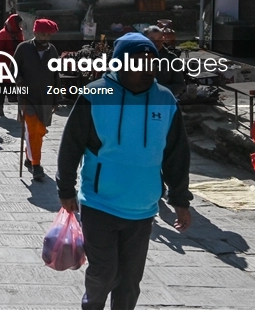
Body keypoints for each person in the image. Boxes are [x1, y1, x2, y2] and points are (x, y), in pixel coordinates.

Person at [56, 33, 192, 310]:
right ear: (119, 64)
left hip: (142, 208)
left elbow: (176, 153)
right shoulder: (96, 94)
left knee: (130, 282)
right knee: (104, 273)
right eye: (138, 63)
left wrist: (180, 200)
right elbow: (72, 144)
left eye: (151, 63)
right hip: (99, 202)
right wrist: (65, 189)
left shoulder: (165, 100)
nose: (146, 70)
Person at [14, 18, 60, 182]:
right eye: (41, 33)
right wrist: (19, 79)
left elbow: (56, 75)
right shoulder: (23, 48)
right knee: (33, 129)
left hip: (46, 98)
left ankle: (30, 154)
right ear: (34, 32)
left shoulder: (52, 50)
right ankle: (37, 166)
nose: (44, 36)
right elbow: (13, 68)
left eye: (47, 34)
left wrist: (57, 97)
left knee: (40, 131)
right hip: (27, 97)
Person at [0, 13, 25, 117]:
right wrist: (11, 54)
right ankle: (0, 107)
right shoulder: (3, 33)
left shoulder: (19, 33)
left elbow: (21, 46)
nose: (20, 26)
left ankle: (19, 111)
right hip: (4, 64)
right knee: (2, 88)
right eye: (19, 24)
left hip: (15, 64)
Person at [142, 25, 187, 96]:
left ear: (163, 39)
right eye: (152, 39)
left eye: (159, 38)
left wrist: (160, 92)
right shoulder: (137, 57)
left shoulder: (171, 58)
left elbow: (180, 85)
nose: (157, 42)